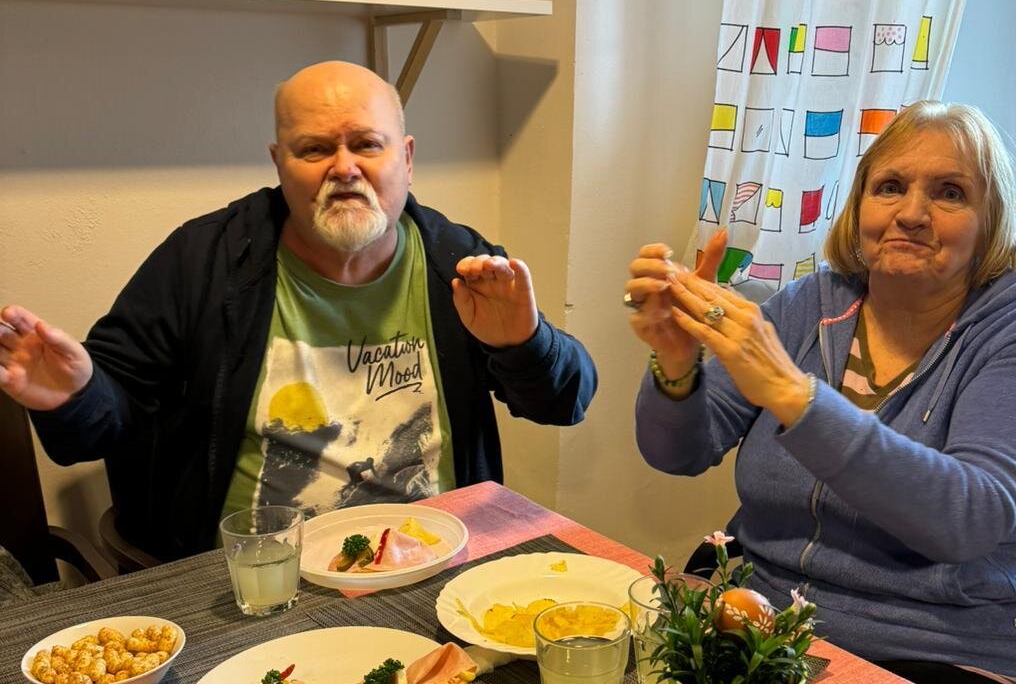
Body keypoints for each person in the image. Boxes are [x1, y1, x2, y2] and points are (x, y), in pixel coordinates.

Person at [0, 61, 596, 561]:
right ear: (279, 162)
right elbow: (106, 421)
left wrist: (524, 345)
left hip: (430, 562)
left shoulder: (456, 262)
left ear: (407, 158)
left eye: (367, 144)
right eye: (314, 149)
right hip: (255, 581)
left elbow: (565, 403)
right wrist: (76, 396)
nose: (344, 168)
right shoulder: (203, 261)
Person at [625, 101, 1016, 684]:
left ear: (991, 221)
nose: (911, 213)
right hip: (771, 622)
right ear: (859, 207)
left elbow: (967, 521)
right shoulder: (808, 305)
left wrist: (794, 395)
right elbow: (677, 454)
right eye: (889, 187)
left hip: (947, 652)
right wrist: (677, 366)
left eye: (950, 193)